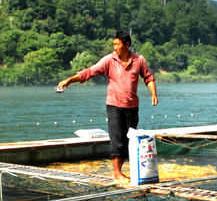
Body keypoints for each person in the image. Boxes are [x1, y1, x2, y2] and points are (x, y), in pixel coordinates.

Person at [57, 30, 158, 182]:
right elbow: (90, 72)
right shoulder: (109, 60)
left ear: (127, 44)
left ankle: (119, 171)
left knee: (128, 139)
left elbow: (148, 78)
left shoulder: (139, 60)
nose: (115, 47)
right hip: (114, 105)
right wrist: (70, 80)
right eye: (114, 44)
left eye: (117, 44)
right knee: (117, 138)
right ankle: (117, 173)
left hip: (132, 106)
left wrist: (153, 94)